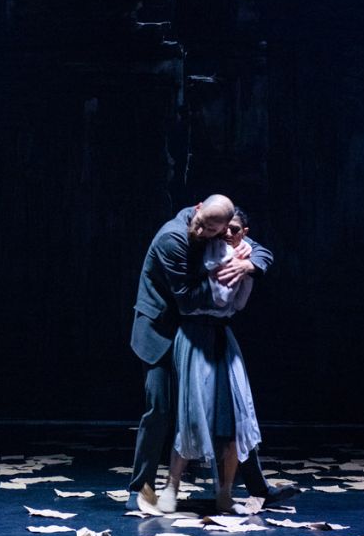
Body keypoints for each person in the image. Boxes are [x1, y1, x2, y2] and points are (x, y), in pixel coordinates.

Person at [126, 195, 297, 515]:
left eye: (213, 231)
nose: (202, 233)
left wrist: (248, 264)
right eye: (201, 225)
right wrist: (225, 272)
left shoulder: (221, 231)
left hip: (198, 330)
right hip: (164, 330)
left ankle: (257, 488)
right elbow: (186, 299)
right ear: (197, 208)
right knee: (160, 409)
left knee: (234, 411)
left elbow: (260, 251)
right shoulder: (173, 238)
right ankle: (141, 489)